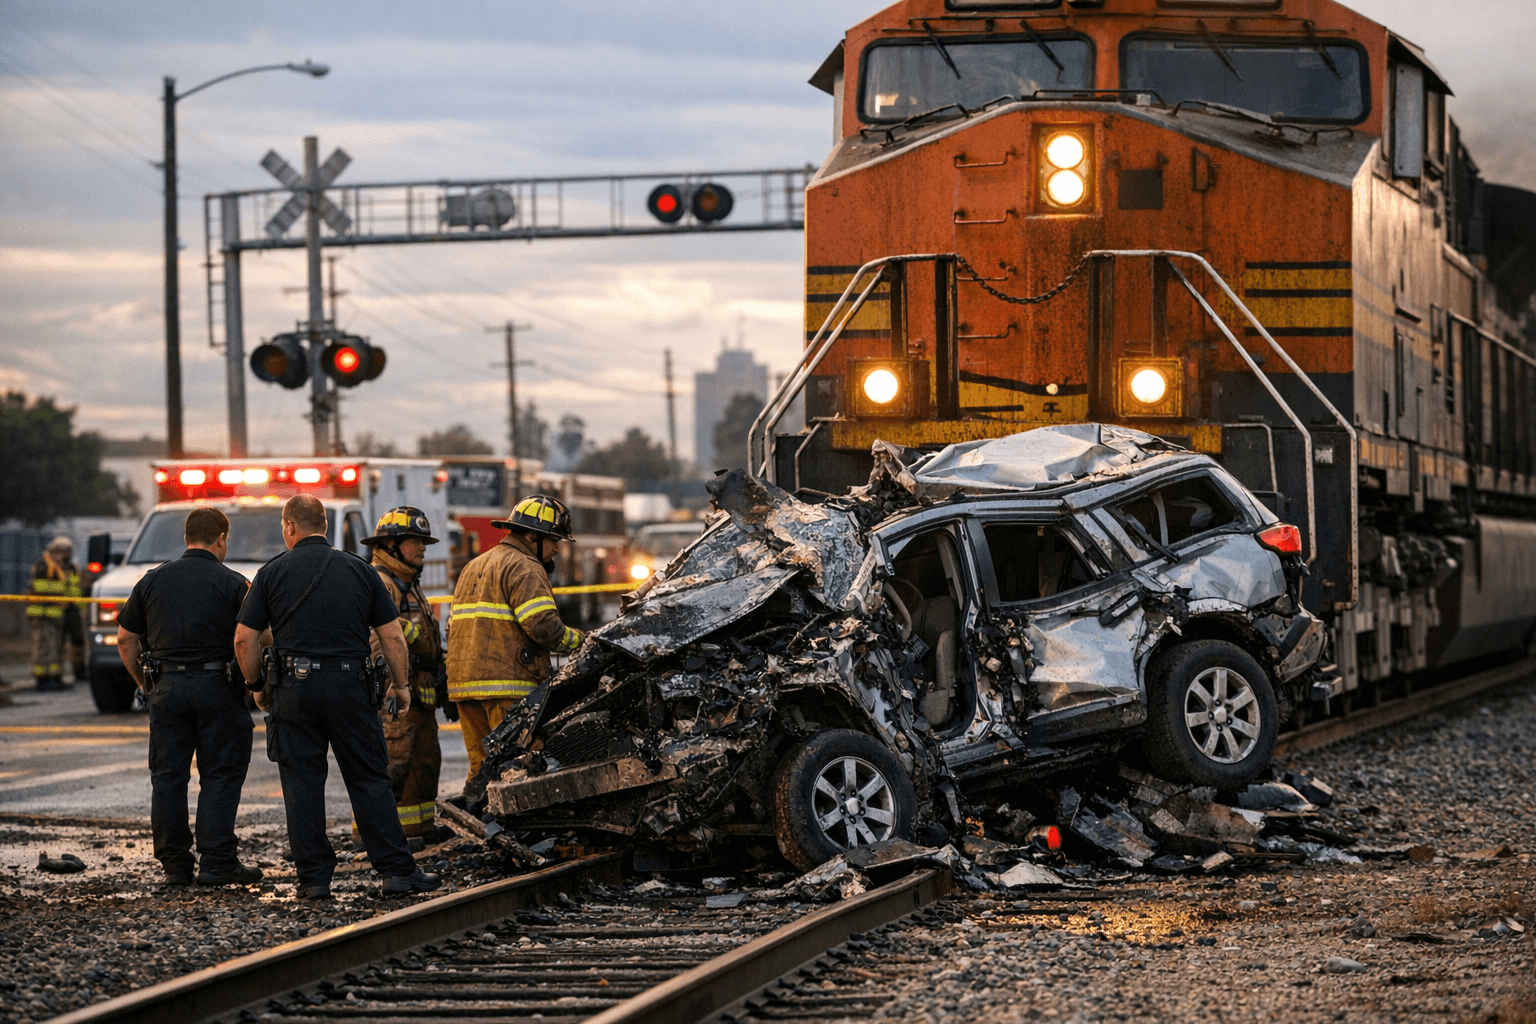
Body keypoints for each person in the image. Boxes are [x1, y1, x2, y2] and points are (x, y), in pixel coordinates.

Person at [233, 494, 440, 900]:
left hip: (294, 691)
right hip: (351, 689)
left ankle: (314, 880)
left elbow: (244, 639)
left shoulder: (270, 573)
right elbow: (392, 635)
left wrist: (257, 685)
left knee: (302, 785)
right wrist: (401, 686)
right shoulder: (360, 570)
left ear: (289, 527)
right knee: (369, 779)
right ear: (325, 526)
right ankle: (397, 873)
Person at [115, 508, 261, 887]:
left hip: (166, 689)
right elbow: (254, 637)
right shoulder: (235, 584)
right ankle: (217, 863)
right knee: (220, 775)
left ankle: (175, 867)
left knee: (168, 777)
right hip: (218, 689)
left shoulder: (151, 580)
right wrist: (255, 682)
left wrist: (146, 684)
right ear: (222, 539)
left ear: (186, 538)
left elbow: (125, 639)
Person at [446, 494, 583, 807]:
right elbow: (544, 627)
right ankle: (513, 830)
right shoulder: (525, 566)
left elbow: (453, 628)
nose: (557, 549)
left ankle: (479, 826)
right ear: (533, 536)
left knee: (483, 769)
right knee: (517, 768)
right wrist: (584, 643)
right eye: (553, 540)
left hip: (465, 686)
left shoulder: (474, 565)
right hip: (508, 686)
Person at [359, 506, 450, 842]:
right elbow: (376, 640)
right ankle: (374, 837)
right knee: (393, 764)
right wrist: (390, 689)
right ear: (391, 544)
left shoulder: (408, 582)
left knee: (423, 763)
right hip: (397, 696)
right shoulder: (383, 583)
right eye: (415, 541)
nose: (423, 547)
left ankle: (415, 830)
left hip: (420, 695)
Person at [27, 536, 80, 691]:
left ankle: (55, 677)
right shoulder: (44, 566)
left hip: (56, 614)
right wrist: (63, 591)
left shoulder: (59, 566)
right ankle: (42, 679)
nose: (68, 556)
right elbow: (40, 587)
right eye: (66, 552)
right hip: (42, 614)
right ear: (57, 551)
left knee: (55, 648)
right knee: (43, 647)